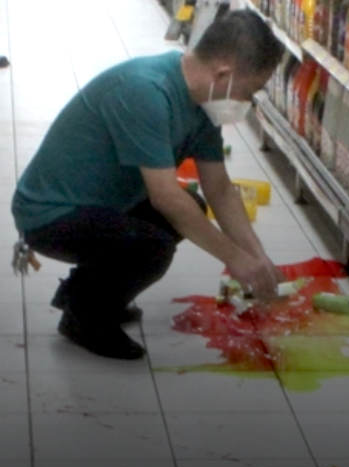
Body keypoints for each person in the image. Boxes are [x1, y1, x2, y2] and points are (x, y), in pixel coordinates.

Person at [11, 10, 285, 360]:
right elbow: (165, 197)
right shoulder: (146, 91)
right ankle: (84, 318)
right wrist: (234, 259)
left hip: (101, 203)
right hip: (50, 213)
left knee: (193, 207)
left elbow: (220, 189)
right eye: (252, 91)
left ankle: (87, 294)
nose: (248, 102)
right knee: (151, 246)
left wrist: (256, 258)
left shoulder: (202, 105)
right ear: (224, 74)